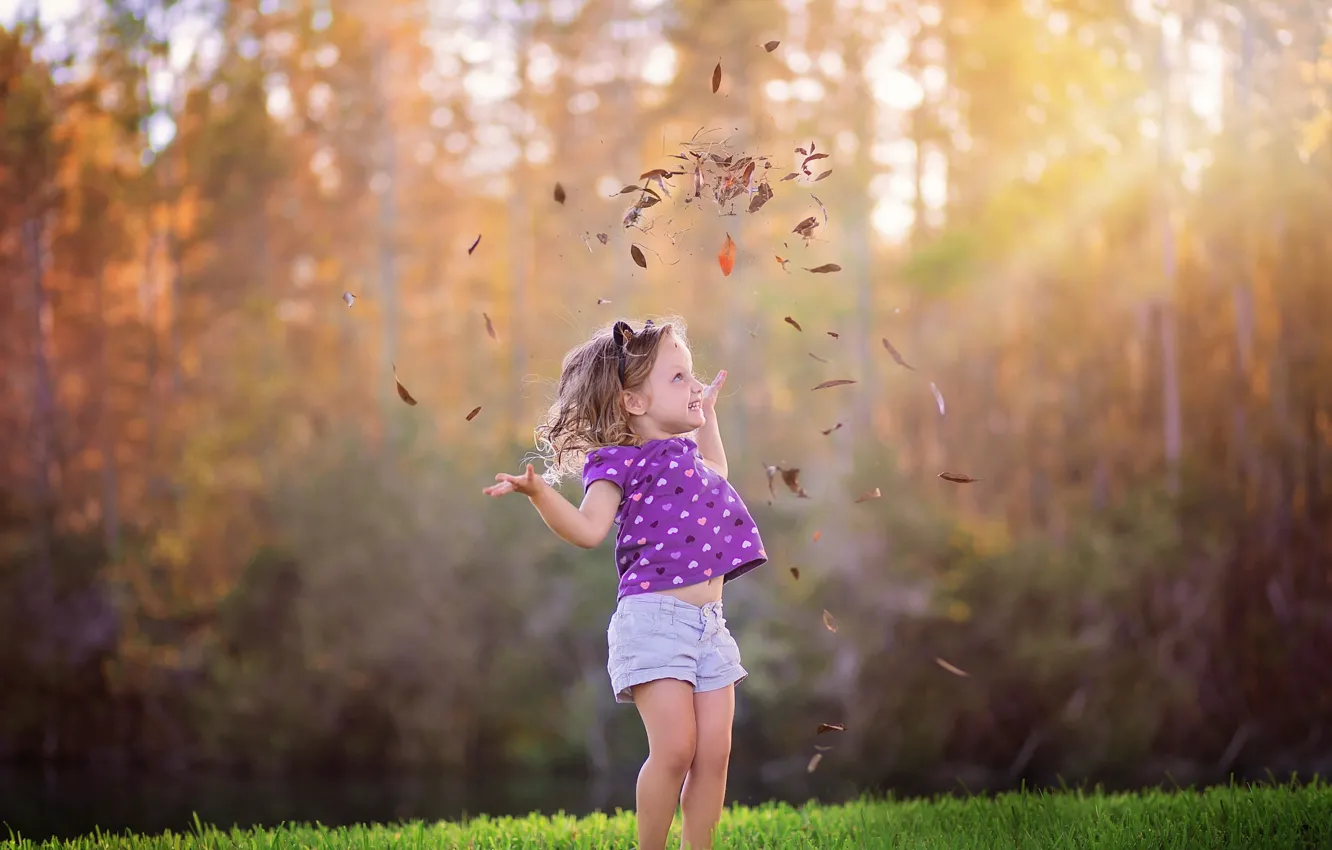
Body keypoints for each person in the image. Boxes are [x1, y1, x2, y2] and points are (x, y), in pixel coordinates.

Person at [483, 316, 768, 850]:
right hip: (654, 622)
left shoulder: (690, 458)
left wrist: (707, 414)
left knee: (715, 753)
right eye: (678, 378)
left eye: (692, 375)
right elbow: (589, 529)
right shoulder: (621, 462)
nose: (694, 386)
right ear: (634, 402)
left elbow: (719, 471)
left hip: (711, 627)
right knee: (676, 750)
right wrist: (541, 494)